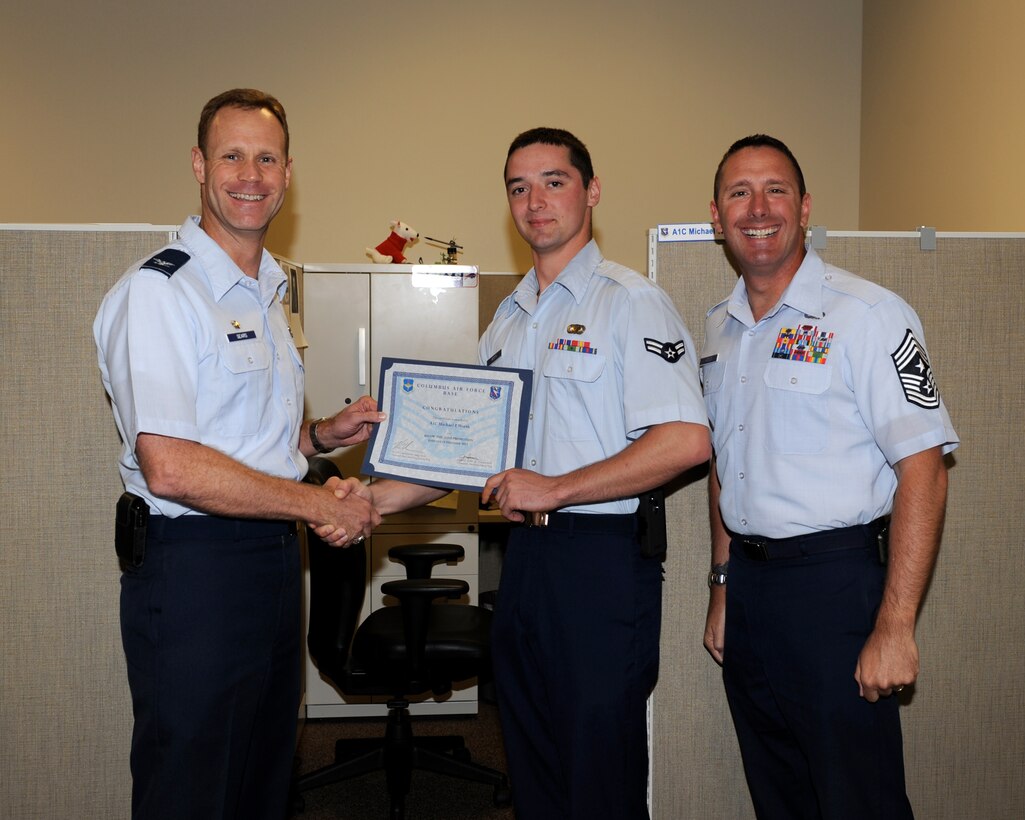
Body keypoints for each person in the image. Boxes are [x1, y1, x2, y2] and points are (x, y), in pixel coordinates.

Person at [371, 127, 711, 819]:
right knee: (529, 759)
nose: (534, 201)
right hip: (526, 559)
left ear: (590, 191)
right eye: (518, 187)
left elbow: (685, 441)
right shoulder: (508, 317)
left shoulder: (628, 302)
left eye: (553, 181)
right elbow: (464, 455)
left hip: (600, 566)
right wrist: (367, 501)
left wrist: (555, 487)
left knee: (595, 771)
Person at [93, 88, 383, 820]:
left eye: (266, 158)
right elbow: (174, 465)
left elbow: (250, 444)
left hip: (269, 564)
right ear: (198, 165)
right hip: (195, 571)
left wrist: (320, 438)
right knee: (193, 786)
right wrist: (318, 502)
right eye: (231, 156)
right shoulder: (161, 293)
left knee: (260, 780)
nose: (249, 175)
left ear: (288, 174)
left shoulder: (266, 289)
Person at [700, 134, 959, 819]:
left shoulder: (867, 315)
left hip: (835, 590)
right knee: (778, 790)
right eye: (738, 193)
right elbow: (726, 470)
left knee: (856, 797)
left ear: (805, 207)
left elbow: (925, 470)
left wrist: (895, 626)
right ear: (715, 215)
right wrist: (723, 587)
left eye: (774, 190)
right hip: (752, 592)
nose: (757, 208)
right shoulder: (719, 332)